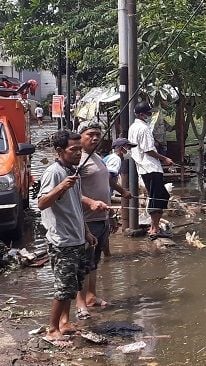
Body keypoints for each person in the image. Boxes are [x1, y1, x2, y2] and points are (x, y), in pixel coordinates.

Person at [37, 130, 97, 346]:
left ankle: (64, 322)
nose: (78, 153)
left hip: (77, 237)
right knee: (63, 287)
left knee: (73, 284)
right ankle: (52, 329)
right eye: (73, 150)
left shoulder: (73, 172)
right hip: (61, 240)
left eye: (80, 149)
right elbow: (42, 203)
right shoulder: (54, 173)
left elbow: (75, 208)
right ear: (60, 151)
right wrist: (62, 186)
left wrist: (86, 232)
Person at [76, 122, 134, 317]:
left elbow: (107, 180)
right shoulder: (78, 160)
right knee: (83, 263)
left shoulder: (98, 158)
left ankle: (92, 296)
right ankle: (80, 302)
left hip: (101, 217)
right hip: (86, 219)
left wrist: (122, 191)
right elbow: (70, 191)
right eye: (90, 134)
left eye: (98, 135)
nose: (95, 138)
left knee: (94, 261)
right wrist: (90, 202)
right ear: (80, 137)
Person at [128, 101, 174, 239]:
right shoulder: (143, 128)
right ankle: (154, 229)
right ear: (142, 114)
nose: (150, 115)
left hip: (144, 168)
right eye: (148, 113)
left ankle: (155, 226)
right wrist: (164, 158)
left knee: (161, 196)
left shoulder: (133, 127)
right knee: (157, 198)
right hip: (150, 167)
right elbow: (148, 150)